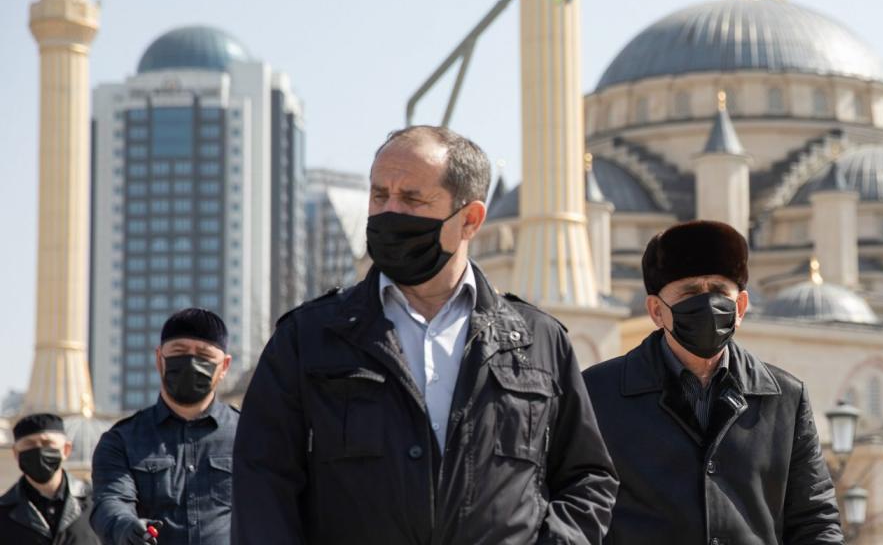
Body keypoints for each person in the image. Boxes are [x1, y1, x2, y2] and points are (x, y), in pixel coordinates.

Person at [232, 125, 618, 544]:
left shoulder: (537, 341)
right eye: (380, 195)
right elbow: (262, 483)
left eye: (412, 199)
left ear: (470, 219)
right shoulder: (308, 339)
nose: (389, 212)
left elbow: (587, 478)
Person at [583, 220, 844, 544]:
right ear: (656, 311)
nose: (707, 304)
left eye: (719, 291)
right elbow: (578, 508)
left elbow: (815, 520)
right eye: (690, 292)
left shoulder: (784, 399)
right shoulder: (600, 394)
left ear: (741, 307)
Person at [90, 308, 239, 545]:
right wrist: (127, 528)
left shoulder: (250, 434)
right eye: (179, 352)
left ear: (225, 366)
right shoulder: (122, 440)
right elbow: (110, 500)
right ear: (159, 358)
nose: (191, 363)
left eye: (204, 355)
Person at [0, 413, 100, 544]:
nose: (38, 451)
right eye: (29, 444)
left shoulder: (98, 504)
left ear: (66, 449)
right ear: (16, 453)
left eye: (46, 443)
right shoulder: (3, 512)